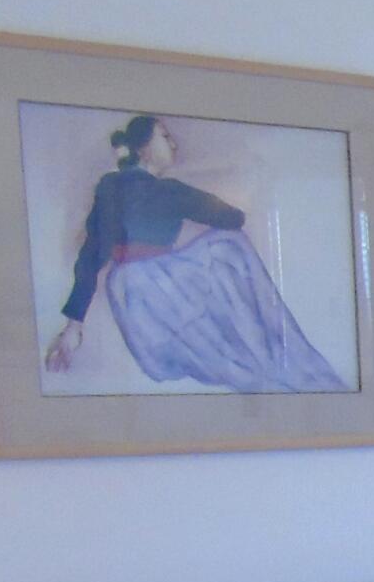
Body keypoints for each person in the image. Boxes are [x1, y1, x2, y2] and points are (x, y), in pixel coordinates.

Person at [43, 115, 347, 393]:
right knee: (229, 249)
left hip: (144, 289)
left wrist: (74, 326)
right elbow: (94, 250)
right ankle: (279, 364)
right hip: (146, 292)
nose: (174, 144)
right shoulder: (131, 188)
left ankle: (274, 366)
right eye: (165, 136)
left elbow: (231, 218)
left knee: (230, 262)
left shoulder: (144, 188)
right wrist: (74, 324)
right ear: (145, 148)